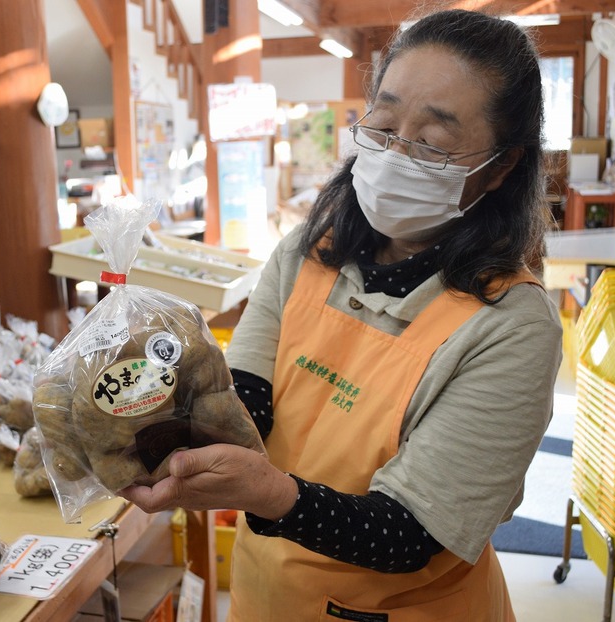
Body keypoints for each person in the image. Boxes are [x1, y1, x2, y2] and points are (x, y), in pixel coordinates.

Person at [120, 9, 563, 621]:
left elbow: (410, 532)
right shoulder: (309, 251)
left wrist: (270, 492)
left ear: (502, 166)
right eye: (383, 124)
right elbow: (244, 398)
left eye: (431, 143)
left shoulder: (511, 324)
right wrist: (144, 426)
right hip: (267, 596)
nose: (396, 152)